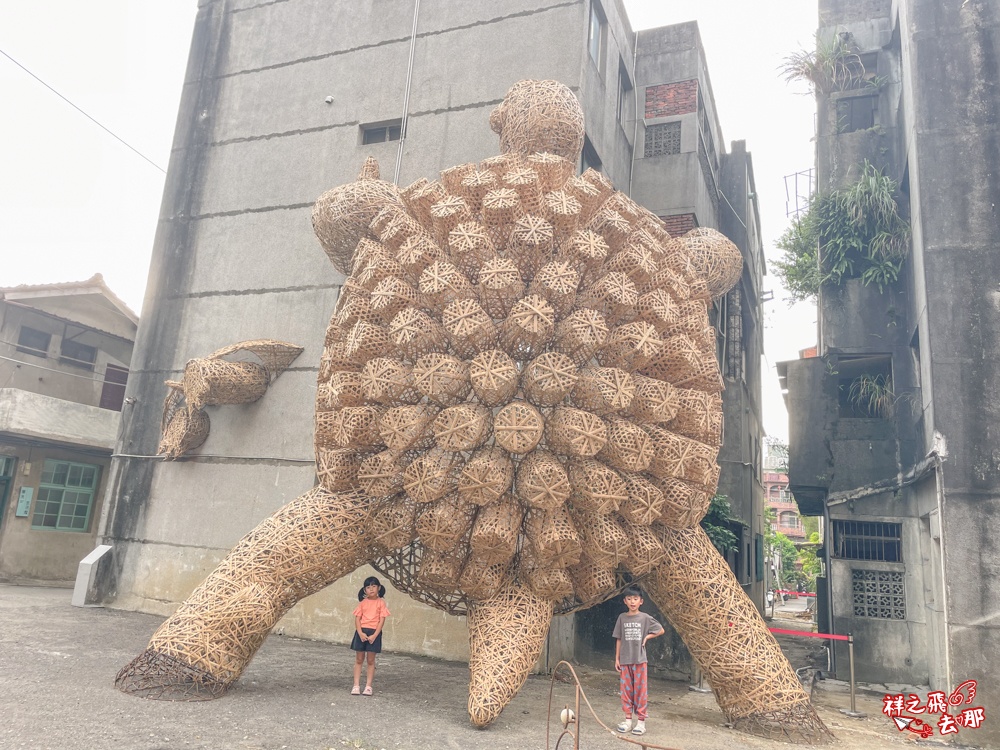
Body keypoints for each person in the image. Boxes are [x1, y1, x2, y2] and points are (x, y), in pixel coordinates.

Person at [613, 586, 664, 736]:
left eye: (635, 599)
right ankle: (628, 720)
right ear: (625, 601)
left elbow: (660, 630)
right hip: (625, 660)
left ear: (641, 601)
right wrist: (617, 658)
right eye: (629, 599)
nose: (632, 602)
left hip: (640, 660)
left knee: (640, 691)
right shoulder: (622, 617)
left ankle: (641, 722)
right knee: (626, 691)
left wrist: (647, 637)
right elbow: (619, 638)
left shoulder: (645, 618)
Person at [351, 576, 390, 696]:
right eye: (368, 587)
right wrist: (360, 633)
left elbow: (381, 621)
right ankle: (356, 685)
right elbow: (357, 619)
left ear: (379, 588)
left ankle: (368, 686)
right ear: (364, 590)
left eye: (374, 586)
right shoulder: (362, 603)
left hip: (374, 633)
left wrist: (374, 635)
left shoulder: (381, 603)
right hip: (361, 632)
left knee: (371, 660)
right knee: (359, 659)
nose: (371, 589)